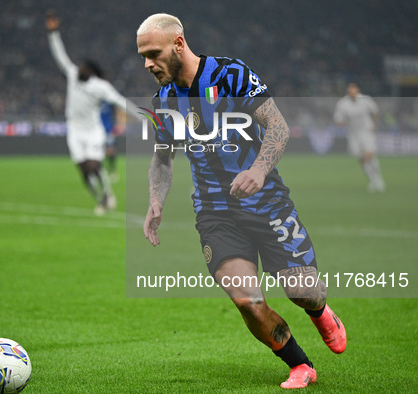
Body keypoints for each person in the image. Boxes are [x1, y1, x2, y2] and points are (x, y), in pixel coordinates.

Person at [137, 14, 346, 389]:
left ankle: (319, 311)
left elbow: (278, 126)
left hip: (267, 203)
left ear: (179, 44)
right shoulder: (163, 100)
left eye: (153, 53)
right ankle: (300, 365)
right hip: (215, 213)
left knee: (304, 292)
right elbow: (162, 157)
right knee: (246, 300)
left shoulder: (230, 75)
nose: (147, 64)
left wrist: (259, 171)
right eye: (143, 56)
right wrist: (156, 200)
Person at [46, 11, 138, 215]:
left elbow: (121, 102)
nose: (79, 69)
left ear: (91, 72)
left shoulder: (101, 87)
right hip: (74, 130)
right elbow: (60, 56)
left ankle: (107, 193)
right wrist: (53, 32)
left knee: (94, 165)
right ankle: (100, 198)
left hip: (93, 130)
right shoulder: (72, 75)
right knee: (84, 171)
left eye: (84, 68)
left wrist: (145, 118)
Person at [334, 82, 385, 192]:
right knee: (362, 159)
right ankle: (372, 180)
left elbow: (375, 112)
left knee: (369, 155)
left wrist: (374, 125)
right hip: (353, 133)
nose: (352, 92)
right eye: (350, 90)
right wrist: (342, 122)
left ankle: (379, 180)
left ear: (357, 90)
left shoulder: (366, 100)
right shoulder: (342, 103)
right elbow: (338, 119)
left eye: (354, 89)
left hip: (366, 130)